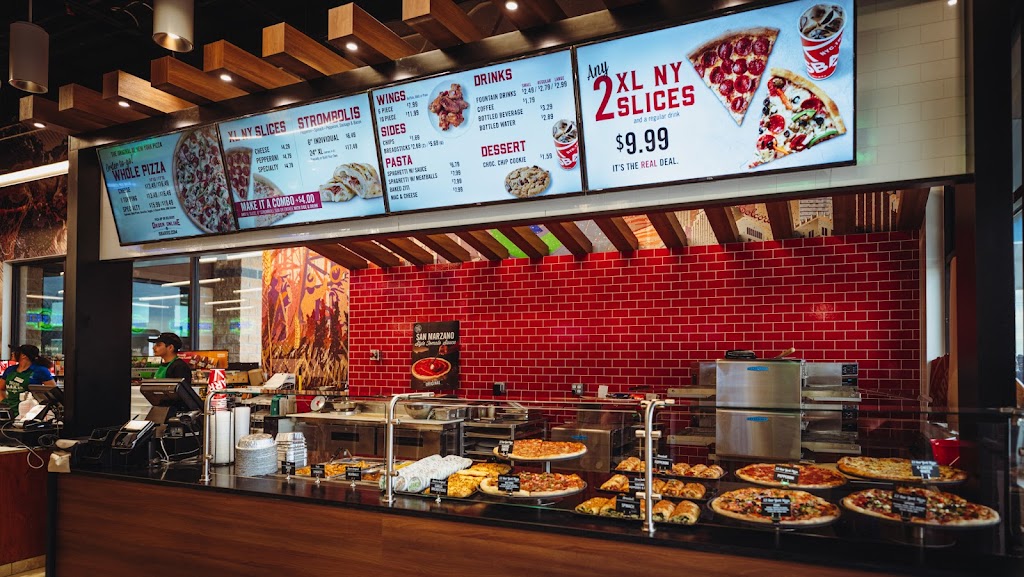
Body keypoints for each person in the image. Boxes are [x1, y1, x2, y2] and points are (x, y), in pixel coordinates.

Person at [0, 344, 57, 417]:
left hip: (29, 413)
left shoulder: (40, 370)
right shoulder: (10, 370)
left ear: (24, 355)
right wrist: (4, 403)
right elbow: (1, 388)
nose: (12, 353)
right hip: (10, 412)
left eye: (16, 352)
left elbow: (53, 392)